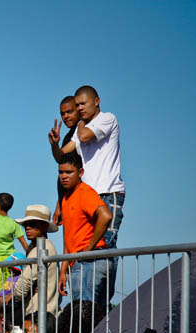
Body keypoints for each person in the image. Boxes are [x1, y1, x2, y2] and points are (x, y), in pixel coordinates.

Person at [54, 85, 124, 249]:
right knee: (87, 245)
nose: (80, 108)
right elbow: (61, 156)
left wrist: (80, 123)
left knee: (105, 244)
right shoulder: (80, 130)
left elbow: (85, 137)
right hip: (87, 195)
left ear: (97, 101)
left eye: (83, 104)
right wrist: (54, 144)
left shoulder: (107, 118)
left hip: (107, 191)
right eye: (77, 105)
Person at [57, 153, 115, 307]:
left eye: (69, 172)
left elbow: (106, 216)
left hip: (90, 261)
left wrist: (88, 248)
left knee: (84, 316)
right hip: (80, 262)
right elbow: (68, 238)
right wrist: (63, 271)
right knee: (93, 318)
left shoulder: (84, 192)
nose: (64, 176)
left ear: (80, 173)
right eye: (61, 172)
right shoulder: (66, 198)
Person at [10, 204, 60, 315]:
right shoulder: (46, 247)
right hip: (45, 311)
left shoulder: (41, 249)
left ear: (45, 227)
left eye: (32, 224)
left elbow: (24, 283)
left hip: (37, 313)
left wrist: (16, 296)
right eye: (26, 225)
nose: (27, 227)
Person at [48, 96, 80, 225]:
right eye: (62, 113)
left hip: (80, 197)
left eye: (69, 112)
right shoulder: (68, 137)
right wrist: (60, 204)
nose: (65, 116)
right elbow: (62, 165)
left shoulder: (84, 132)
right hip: (67, 199)